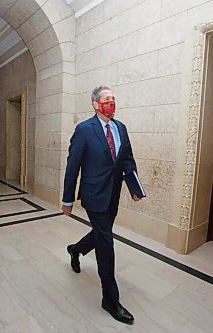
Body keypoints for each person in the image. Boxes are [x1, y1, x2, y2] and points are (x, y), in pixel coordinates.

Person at [62, 85, 141, 325]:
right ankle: (110, 299)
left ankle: (75, 249)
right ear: (96, 104)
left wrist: (135, 187)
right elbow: (72, 166)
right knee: (106, 243)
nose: (112, 102)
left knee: (101, 233)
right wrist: (68, 199)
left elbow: (127, 160)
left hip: (113, 195)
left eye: (114, 99)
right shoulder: (84, 130)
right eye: (107, 99)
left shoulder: (121, 128)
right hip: (94, 195)